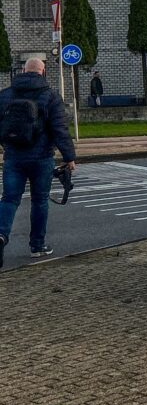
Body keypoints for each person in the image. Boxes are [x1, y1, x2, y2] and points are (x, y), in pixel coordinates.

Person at [0, 58, 76, 266]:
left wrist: (6, 145)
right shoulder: (51, 96)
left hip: (13, 157)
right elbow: (60, 130)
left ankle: (0, 235)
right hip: (42, 157)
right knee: (40, 200)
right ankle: (37, 246)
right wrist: (69, 157)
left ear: (23, 70)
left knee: (9, 199)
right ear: (43, 72)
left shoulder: (5, 95)